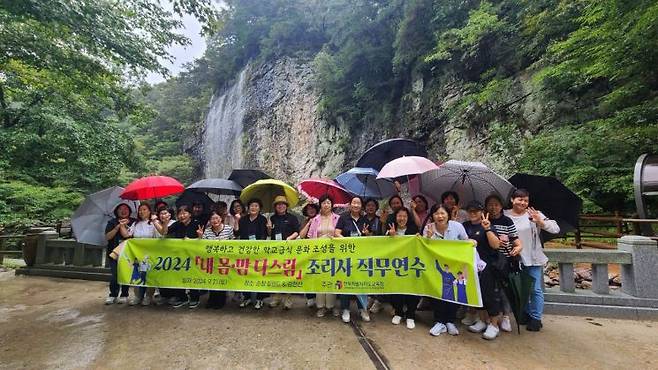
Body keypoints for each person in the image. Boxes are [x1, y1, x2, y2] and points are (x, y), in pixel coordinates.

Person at [504, 188, 559, 332]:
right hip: (514, 258)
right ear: (512, 200)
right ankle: (525, 313)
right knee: (520, 288)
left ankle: (536, 318)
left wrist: (540, 222)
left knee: (535, 289)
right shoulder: (505, 214)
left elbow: (555, 229)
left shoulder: (534, 214)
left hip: (533, 258)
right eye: (520, 199)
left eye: (526, 200)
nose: (523, 202)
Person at [423, 204, 475, 337]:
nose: (440, 216)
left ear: (448, 214)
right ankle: (439, 321)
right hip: (436, 267)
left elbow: (465, 241)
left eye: (443, 213)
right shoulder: (429, 228)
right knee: (437, 292)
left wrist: (472, 242)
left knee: (454, 293)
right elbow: (424, 248)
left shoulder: (457, 226)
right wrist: (427, 238)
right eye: (436, 213)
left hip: (454, 268)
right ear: (432, 216)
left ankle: (450, 321)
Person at [460, 200, 508, 340]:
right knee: (477, 293)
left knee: (490, 294)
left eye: (476, 211)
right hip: (472, 266)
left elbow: (496, 245)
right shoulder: (465, 226)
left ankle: (494, 325)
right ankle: (482, 320)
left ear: (482, 212)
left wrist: (487, 229)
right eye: (470, 211)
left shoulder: (488, 225)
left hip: (488, 266)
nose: (473, 213)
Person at [485, 193, 522, 333]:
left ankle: (506, 316)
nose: (493, 207)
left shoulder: (507, 221)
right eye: (490, 205)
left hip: (504, 260)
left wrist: (518, 248)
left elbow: (516, 241)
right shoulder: (485, 220)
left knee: (504, 289)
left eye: (496, 204)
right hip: (488, 260)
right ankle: (491, 317)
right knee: (489, 290)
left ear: (501, 206)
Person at [334, 196, 370, 323]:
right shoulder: (343, 217)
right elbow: (336, 233)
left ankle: (362, 308)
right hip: (346, 255)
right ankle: (345, 309)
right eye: (354, 203)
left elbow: (371, 238)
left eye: (358, 203)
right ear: (350, 205)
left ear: (361, 206)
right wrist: (347, 241)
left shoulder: (365, 219)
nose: (356, 205)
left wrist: (366, 234)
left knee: (361, 282)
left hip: (361, 256)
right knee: (344, 281)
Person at [306, 194, 340, 318]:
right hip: (319, 253)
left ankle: (332, 306)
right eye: (324, 202)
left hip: (333, 253)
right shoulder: (315, 219)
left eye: (328, 203)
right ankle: (321, 307)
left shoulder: (337, 218)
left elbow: (341, 234)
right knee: (320, 279)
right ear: (320, 204)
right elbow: (310, 236)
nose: (326, 205)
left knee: (332, 278)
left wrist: (334, 237)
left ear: (332, 205)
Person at [386, 207, 420, 329]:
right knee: (396, 290)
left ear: (408, 217)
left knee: (412, 290)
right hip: (395, 265)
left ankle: (410, 315)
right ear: (396, 217)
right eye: (399, 216)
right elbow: (383, 247)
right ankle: (398, 312)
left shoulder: (413, 229)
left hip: (410, 264)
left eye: (404, 216)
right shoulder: (390, 229)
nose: (402, 218)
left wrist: (419, 238)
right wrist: (392, 237)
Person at [164, 205, 203, 309]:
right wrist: (165, 222)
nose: (182, 216)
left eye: (184, 213)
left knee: (193, 276)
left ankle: (195, 298)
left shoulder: (196, 223)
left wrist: (199, 236)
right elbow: (165, 232)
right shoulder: (177, 224)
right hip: (179, 256)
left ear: (190, 214)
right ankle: (182, 298)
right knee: (178, 276)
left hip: (193, 255)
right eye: (180, 214)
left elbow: (202, 240)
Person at [268, 196, 300, 310]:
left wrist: (290, 238)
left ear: (286, 206)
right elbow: (269, 234)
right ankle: (276, 298)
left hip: (288, 250)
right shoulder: (272, 218)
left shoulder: (292, 218)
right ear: (275, 207)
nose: (280, 206)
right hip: (276, 251)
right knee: (276, 273)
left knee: (287, 274)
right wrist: (268, 228)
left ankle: (288, 300)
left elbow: (297, 231)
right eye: (278, 204)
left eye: (282, 204)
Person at [237, 198, 269, 309]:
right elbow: (238, 233)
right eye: (251, 206)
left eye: (256, 206)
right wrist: (237, 222)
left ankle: (260, 299)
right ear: (248, 207)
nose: (253, 208)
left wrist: (257, 246)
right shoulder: (243, 219)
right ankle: (247, 297)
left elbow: (264, 235)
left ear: (259, 208)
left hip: (259, 252)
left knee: (259, 274)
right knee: (246, 273)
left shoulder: (263, 219)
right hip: (245, 252)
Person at [199, 210, 234, 309]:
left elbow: (234, 242)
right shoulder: (207, 231)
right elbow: (203, 245)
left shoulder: (228, 229)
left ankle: (221, 300)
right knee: (212, 280)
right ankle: (212, 299)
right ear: (209, 221)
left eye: (217, 218)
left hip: (225, 260)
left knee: (222, 280)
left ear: (221, 218)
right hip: (211, 260)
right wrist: (200, 237)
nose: (215, 220)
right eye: (212, 219)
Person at [127, 203, 158, 306]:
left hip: (150, 254)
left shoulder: (153, 223)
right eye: (140, 210)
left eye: (144, 209)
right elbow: (128, 235)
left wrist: (155, 221)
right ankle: (137, 296)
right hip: (137, 254)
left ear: (149, 211)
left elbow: (160, 235)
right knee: (137, 274)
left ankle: (149, 296)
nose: (142, 212)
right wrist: (122, 225)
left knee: (149, 275)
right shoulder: (135, 224)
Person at [104, 203, 135, 304]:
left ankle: (124, 294)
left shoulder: (134, 222)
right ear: (116, 211)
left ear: (129, 211)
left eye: (126, 209)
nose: (123, 211)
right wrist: (118, 227)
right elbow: (108, 237)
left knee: (126, 273)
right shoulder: (112, 222)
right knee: (115, 275)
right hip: (114, 253)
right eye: (120, 209)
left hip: (128, 253)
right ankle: (113, 294)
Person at [299, 202, 319, 308]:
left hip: (319, 251)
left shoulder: (321, 219)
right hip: (307, 252)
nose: (311, 210)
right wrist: (309, 223)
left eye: (313, 208)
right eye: (308, 209)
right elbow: (301, 236)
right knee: (307, 274)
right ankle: (310, 297)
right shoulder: (305, 221)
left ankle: (318, 297)